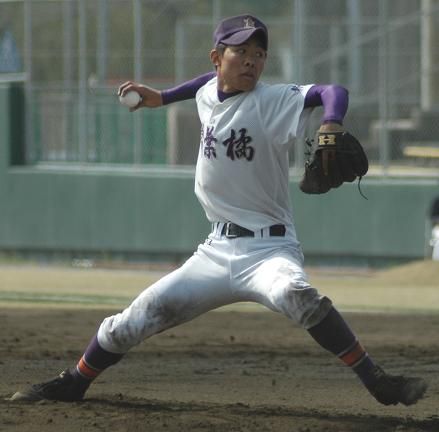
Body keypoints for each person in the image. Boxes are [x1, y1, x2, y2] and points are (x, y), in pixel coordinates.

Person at [11, 14, 427, 406]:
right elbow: (203, 85)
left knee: (298, 296)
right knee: (135, 318)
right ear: (217, 57)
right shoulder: (211, 90)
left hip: (269, 250)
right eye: (240, 52)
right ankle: (75, 381)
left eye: (258, 54)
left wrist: (331, 122)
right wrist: (164, 97)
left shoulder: (273, 100)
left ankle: (378, 381)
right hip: (214, 251)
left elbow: (332, 92)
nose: (251, 61)